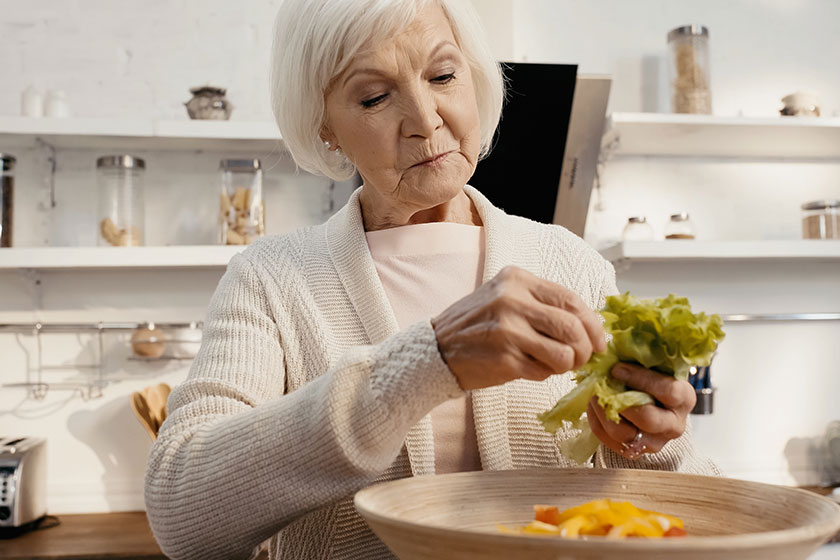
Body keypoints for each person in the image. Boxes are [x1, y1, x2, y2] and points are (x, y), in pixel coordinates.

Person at [144, 1, 718, 558]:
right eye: (373, 97)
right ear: (326, 128)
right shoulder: (273, 279)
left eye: (442, 74)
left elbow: (680, 502)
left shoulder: (570, 261)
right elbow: (181, 514)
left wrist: (646, 440)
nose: (425, 120)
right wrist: (428, 359)